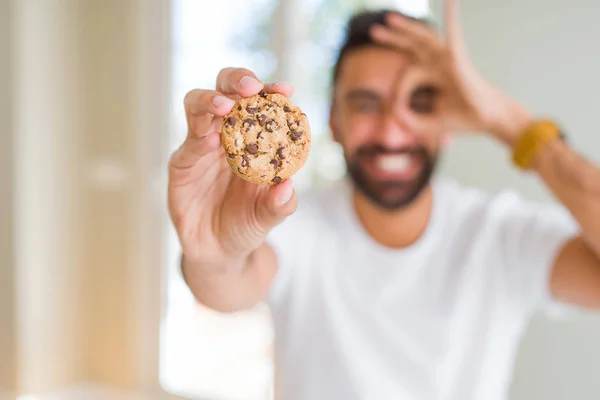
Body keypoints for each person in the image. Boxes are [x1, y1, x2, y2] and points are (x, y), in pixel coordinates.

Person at [167, 2, 600, 399]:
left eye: (420, 102)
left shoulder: (500, 234)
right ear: (333, 122)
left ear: (448, 120)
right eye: (367, 105)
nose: (393, 133)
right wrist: (212, 255)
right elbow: (226, 286)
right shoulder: (294, 220)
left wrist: (513, 124)